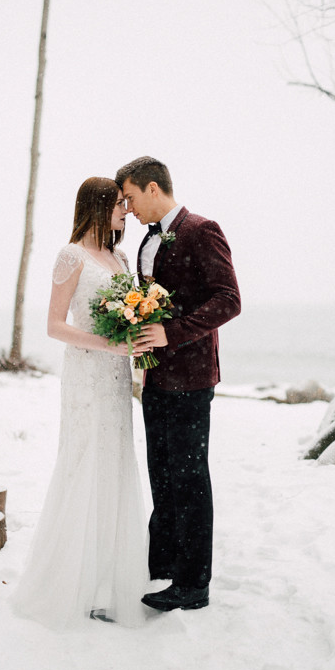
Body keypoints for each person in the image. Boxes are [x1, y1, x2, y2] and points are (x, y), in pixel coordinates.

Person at [13, 177, 148, 629]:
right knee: (86, 460)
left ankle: (107, 580)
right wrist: (109, 344)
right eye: (119, 204)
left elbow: (129, 316)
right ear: (98, 206)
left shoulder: (121, 258)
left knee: (114, 461)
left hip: (116, 377)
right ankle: (73, 582)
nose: (125, 211)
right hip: (87, 376)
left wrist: (135, 341)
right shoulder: (71, 255)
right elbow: (54, 325)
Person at [115, 156, 241, 612]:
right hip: (155, 378)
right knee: (162, 475)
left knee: (190, 479)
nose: (128, 208)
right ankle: (163, 565)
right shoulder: (146, 242)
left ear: (153, 188)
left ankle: (193, 584)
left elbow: (229, 299)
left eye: (130, 197)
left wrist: (173, 332)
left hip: (191, 378)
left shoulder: (202, 230)